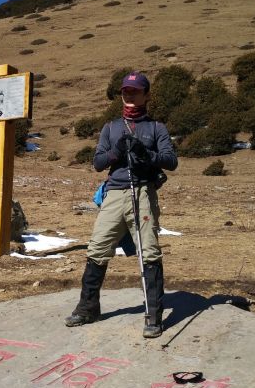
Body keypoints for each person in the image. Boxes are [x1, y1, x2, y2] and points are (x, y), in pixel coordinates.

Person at [65, 71, 178, 338]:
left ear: (146, 95)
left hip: (143, 192)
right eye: (126, 91)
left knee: (149, 252)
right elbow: (97, 163)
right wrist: (116, 151)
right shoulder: (110, 127)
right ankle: (88, 307)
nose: (129, 95)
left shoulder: (156, 128)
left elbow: (171, 161)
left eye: (135, 91)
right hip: (114, 194)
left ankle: (153, 315)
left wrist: (146, 153)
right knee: (97, 247)